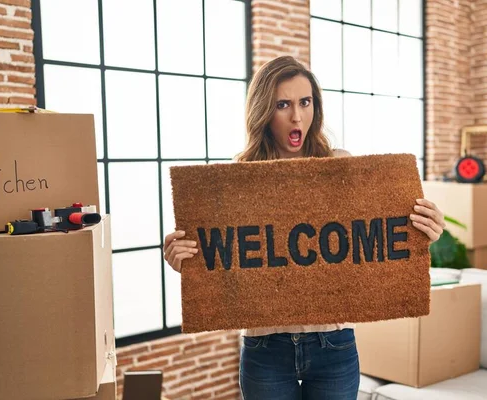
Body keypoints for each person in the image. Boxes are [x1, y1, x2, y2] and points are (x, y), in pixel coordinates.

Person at [163, 56, 445, 399]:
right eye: (283, 104)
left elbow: (372, 240)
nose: (297, 116)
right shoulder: (238, 177)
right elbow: (226, 260)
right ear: (264, 110)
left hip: (334, 344)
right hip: (264, 347)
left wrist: (422, 230)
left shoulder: (340, 165)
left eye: (305, 102)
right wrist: (187, 260)